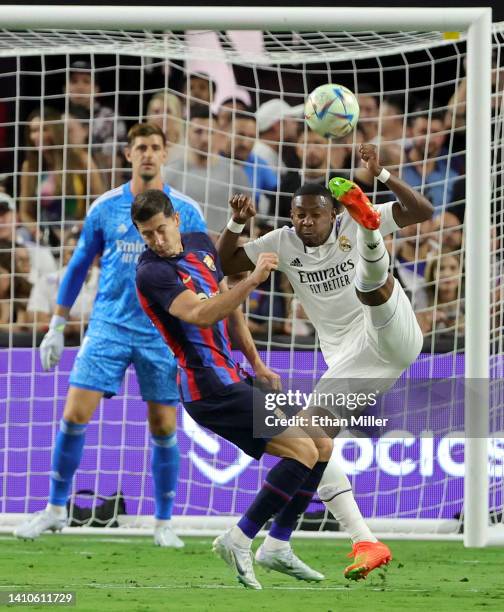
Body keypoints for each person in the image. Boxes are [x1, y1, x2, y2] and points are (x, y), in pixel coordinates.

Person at [217, 143, 434, 580]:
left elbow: (423, 211)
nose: (305, 222)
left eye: (315, 215)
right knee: (314, 439)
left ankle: (371, 232)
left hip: (391, 334)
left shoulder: (344, 223)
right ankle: (347, 541)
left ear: (333, 213)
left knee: (371, 287)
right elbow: (229, 260)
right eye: (299, 215)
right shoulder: (281, 240)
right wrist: (237, 222)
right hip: (349, 361)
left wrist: (385, 176)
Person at [13, 122, 207, 548]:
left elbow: (203, 269)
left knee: (163, 425)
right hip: (108, 325)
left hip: (162, 332)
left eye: (156, 147)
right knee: (73, 414)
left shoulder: (186, 210)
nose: (148, 155)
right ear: (128, 154)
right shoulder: (104, 207)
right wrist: (57, 325)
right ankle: (55, 508)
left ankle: (163, 522)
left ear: (165, 152)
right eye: (141, 148)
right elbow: (81, 264)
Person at [132, 189, 333, 589]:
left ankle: (277, 544)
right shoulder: (151, 273)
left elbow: (230, 305)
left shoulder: (200, 243)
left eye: (159, 230)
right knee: (304, 450)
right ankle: (240, 537)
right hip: (208, 390)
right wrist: (255, 279)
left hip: (233, 376)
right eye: (146, 235)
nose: (156, 241)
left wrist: (256, 363)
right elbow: (204, 314)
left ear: (175, 220)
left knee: (321, 443)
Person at [163, 104, 250, 235]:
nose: (205, 138)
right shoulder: (169, 174)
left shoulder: (235, 174)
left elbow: (249, 219)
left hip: (222, 250)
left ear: (218, 134)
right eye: (198, 132)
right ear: (186, 133)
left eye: (210, 132)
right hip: (182, 249)